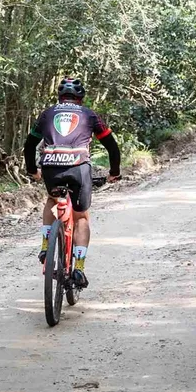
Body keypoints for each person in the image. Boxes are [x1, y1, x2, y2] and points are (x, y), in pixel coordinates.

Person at [23, 78, 121, 289]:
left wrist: (32, 170)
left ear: (60, 97)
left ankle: (46, 245)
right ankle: (78, 267)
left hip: (50, 166)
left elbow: (29, 144)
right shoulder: (89, 114)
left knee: (52, 199)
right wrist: (114, 173)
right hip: (78, 167)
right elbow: (112, 146)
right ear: (81, 98)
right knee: (81, 217)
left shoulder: (48, 114)